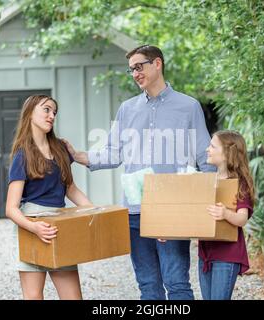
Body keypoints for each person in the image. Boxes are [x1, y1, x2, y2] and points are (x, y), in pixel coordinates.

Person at [64, 45, 215, 300]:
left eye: (139, 66)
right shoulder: (127, 109)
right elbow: (112, 152)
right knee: (147, 287)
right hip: (135, 210)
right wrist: (78, 155)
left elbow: (205, 156)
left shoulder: (188, 107)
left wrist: (211, 204)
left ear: (157, 64)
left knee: (177, 284)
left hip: (172, 210)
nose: (135, 73)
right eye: (131, 69)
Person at [6, 94, 92, 300]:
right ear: (30, 114)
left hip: (59, 226)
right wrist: (34, 227)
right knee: (34, 296)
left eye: (54, 112)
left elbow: (70, 188)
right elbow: (11, 208)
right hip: (31, 226)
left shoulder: (61, 149)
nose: (52, 115)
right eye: (46, 109)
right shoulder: (22, 155)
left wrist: (93, 211)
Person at [198, 130, 255, 300]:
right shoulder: (208, 180)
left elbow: (242, 218)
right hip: (206, 253)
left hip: (226, 255)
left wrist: (225, 213)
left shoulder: (239, 183)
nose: (207, 149)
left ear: (227, 153)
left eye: (212, 146)